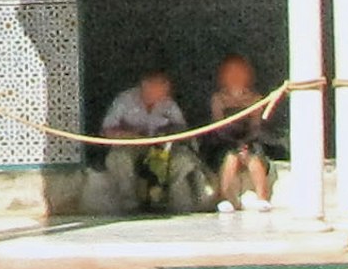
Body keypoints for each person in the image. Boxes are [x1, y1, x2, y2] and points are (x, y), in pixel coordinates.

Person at [98, 65, 193, 216]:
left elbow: (182, 128)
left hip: (161, 149)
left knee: (183, 159)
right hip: (132, 146)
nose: (161, 92)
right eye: (156, 86)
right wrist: (132, 135)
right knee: (118, 158)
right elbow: (107, 130)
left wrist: (166, 134)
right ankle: (130, 205)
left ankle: (169, 202)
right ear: (145, 85)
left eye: (164, 88)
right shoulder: (124, 100)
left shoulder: (168, 103)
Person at [199, 53, 274, 213]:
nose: (235, 76)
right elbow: (218, 126)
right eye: (230, 72)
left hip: (249, 141)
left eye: (240, 72)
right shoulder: (218, 99)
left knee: (253, 156)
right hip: (225, 141)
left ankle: (262, 197)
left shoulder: (255, 98)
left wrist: (245, 145)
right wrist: (235, 144)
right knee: (231, 157)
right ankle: (224, 197)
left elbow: (256, 126)